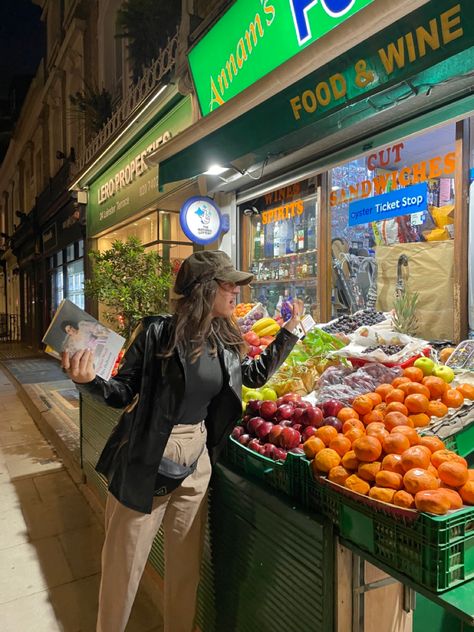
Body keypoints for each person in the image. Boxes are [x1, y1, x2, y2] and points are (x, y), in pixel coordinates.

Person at [62, 250, 303, 632]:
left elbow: (252, 377)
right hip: (149, 457)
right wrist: (89, 381)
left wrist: (289, 334)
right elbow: (123, 391)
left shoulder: (224, 339)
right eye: (228, 284)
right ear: (204, 289)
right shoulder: (158, 332)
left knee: (185, 567)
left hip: (197, 462)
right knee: (124, 567)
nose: (236, 292)